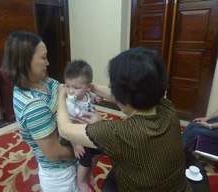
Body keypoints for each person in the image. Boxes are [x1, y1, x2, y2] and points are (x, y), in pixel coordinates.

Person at [57, 47, 192, 191]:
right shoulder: (167, 106)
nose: (110, 88)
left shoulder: (117, 132)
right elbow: (122, 96)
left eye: (112, 86)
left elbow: (64, 129)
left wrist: (61, 95)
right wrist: (85, 86)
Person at [0, 31, 79, 192]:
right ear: (25, 61)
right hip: (61, 174)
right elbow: (54, 154)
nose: (48, 63)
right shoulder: (33, 105)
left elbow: (63, 91)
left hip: (70, 161)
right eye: (43, 58)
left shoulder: (43, 81)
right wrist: (84, 150)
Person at [63, 60, 102, 192]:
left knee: (100, 151)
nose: (70, 91)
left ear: (88, 87)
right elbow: (67, 126)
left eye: (76, 87)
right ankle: (80, 182)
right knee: (86, 157)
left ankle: (88, 173)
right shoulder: (69, 105)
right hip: (75, 135)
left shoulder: (87, 95)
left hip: (89, 130)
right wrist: (75, 144)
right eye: (67, 86)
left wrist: (97, 98)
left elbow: (92, 97)